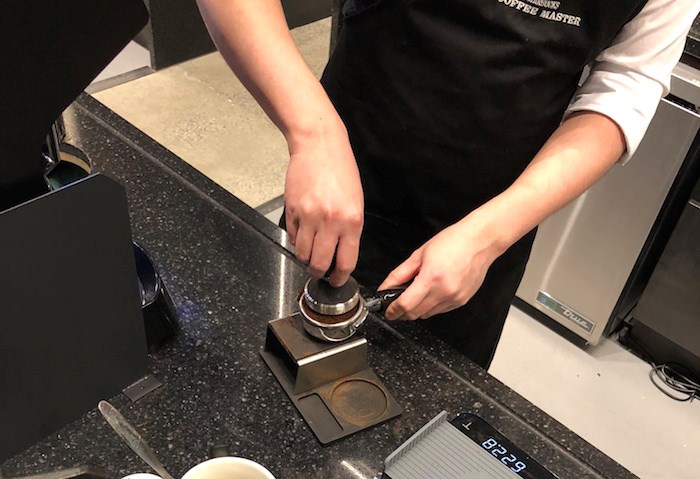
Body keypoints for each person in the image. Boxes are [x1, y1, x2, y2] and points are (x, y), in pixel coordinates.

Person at [195, 0, 699, 368]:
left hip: (487, 229)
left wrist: (489, 236)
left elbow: (624, 84)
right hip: (344, 176)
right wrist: (314, 135)